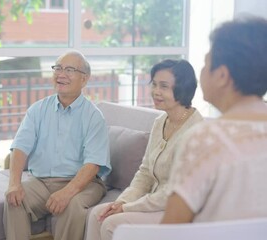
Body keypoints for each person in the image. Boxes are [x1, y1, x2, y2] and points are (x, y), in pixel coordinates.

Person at [161, 17, 267, 224]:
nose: (201, 72)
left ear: (222, 76)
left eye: (205, 63)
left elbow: (171, 229)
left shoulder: (206, 138)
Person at [86, 59, 204, 240]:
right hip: (154, 204)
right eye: (154, 84)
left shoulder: (195, 131)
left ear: (183, 88)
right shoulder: (160, 122)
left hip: (178, 210)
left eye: (164, 86)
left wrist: (127, 208)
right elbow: (145, 173)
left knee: (112, 224)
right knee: (98, 214)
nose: (156, 91)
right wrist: (121, 202)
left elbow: (174, 191)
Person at [3, 50, 111, 240]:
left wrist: (67, 193)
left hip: (82, 183)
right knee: (14, 199)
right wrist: (14, 184)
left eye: (69, 70)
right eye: (58, 68)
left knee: (73, 205)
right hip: (41, 182)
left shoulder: (93, 116)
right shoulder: (38, 109)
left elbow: (93, 164)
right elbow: (19, 147)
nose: (61, 74)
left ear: (84, 79)